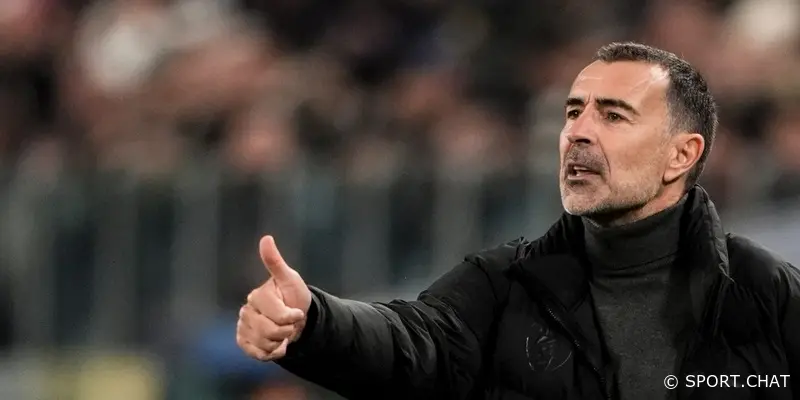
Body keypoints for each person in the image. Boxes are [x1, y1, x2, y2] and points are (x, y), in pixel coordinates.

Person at [235, 42, 800, 400]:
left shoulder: (770, 297)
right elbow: (413, 341)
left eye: (613, 116)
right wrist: (315, 320)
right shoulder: (504, 285)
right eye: (573, 111)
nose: (577, 132)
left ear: (681, 154)